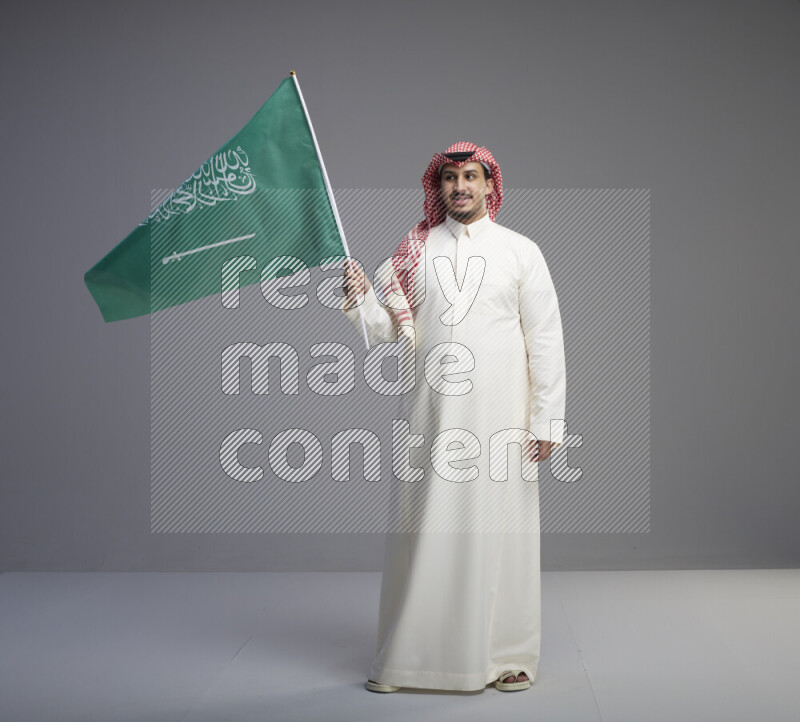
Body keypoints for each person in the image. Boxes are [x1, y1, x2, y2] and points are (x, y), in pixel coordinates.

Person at [341, 141, 566, 693]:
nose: (460, 187)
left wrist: (547, 421)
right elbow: (386, 328)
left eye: (470, 177)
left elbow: (546, 339)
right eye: (449, 178)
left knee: (503, 533)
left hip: (502, 421)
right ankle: (407, 659)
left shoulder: (521, 252)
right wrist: (359, 297)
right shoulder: (414, 250)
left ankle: (506, 655)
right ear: (437, 188)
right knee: (423, 529)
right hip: (430, 416)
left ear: (491, 186)